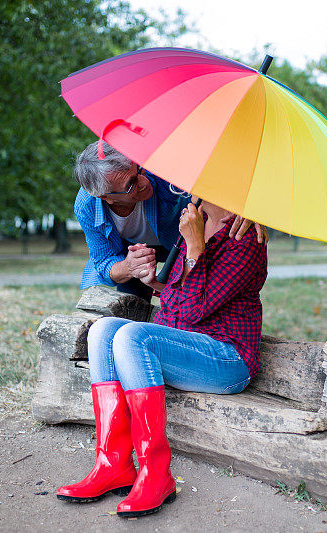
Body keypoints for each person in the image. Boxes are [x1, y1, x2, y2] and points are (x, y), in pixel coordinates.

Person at [57, 196, 268, 518]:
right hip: (184, 348)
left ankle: (156, 473)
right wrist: (153, 280)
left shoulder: (245, 238)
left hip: (226, 358)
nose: (188, 185)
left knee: (132, 335)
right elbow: (173, 297)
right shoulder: (195, 221)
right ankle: (112, 464)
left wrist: (196, 247)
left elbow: (191, 309)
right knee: (102, 331)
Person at [73, 141, 266, 300]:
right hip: (136, 253)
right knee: (131, 301)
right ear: (106, 197)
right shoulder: (87, 206)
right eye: (131, 184)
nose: (144, 181)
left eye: (138, 168)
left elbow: (212, 175)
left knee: (192, 297)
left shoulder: (159, 167)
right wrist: (130, 266)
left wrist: (242, 204)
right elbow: (104, 262)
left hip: (184, 241)